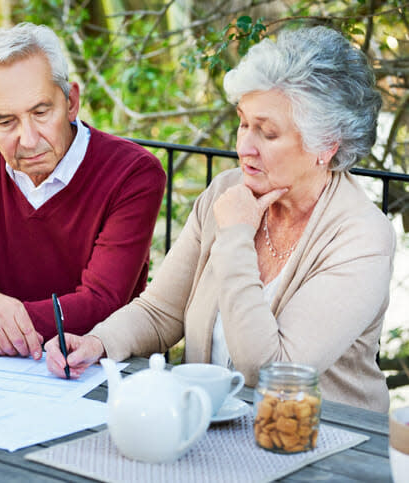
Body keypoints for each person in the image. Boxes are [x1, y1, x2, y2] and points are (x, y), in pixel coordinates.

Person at [46, 26, 395, 413]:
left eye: (268, 132)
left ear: (326, 146)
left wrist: (235, 237)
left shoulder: (361, 237)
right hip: (208, 423)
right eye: (244, 123)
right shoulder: (226, 191)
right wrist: (98, 342)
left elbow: (271, 371)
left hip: (325, 443)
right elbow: (161, 311)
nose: (244, 146)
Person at [0, 23, 166, 359]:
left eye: (41, 112)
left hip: (94, 367)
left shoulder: (134, 172)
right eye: (6, 121)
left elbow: (101, 303)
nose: (29, 139)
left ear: (71, 102)